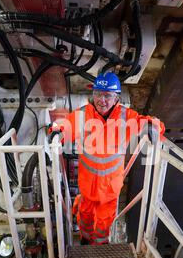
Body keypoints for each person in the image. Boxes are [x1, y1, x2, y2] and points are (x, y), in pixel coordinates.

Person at [51, 72, 165, 245]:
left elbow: (150, 122)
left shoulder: (126, 117)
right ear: (93, 94)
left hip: (110, 187)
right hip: (88, 185)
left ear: (116, 97)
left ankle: (101, 246)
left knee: (104, 222)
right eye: (98, 94)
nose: (101, 100)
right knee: (86, 217)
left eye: (107, 95)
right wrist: (56, 132)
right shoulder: (82, 115)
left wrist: (152, 128)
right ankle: (84, 240)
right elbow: (64, 126)